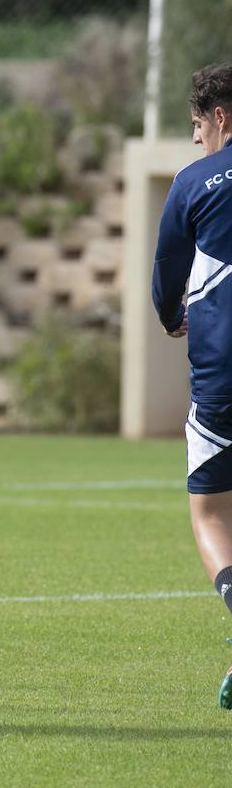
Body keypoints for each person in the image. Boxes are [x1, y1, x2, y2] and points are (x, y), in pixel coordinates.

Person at [152, 61, 232, 710]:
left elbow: (165, 274)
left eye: (196, 128)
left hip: (221, 382)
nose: (196, 140)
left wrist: (171, 315)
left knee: (210, 513)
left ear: (219, 119)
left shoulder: (193, 182)